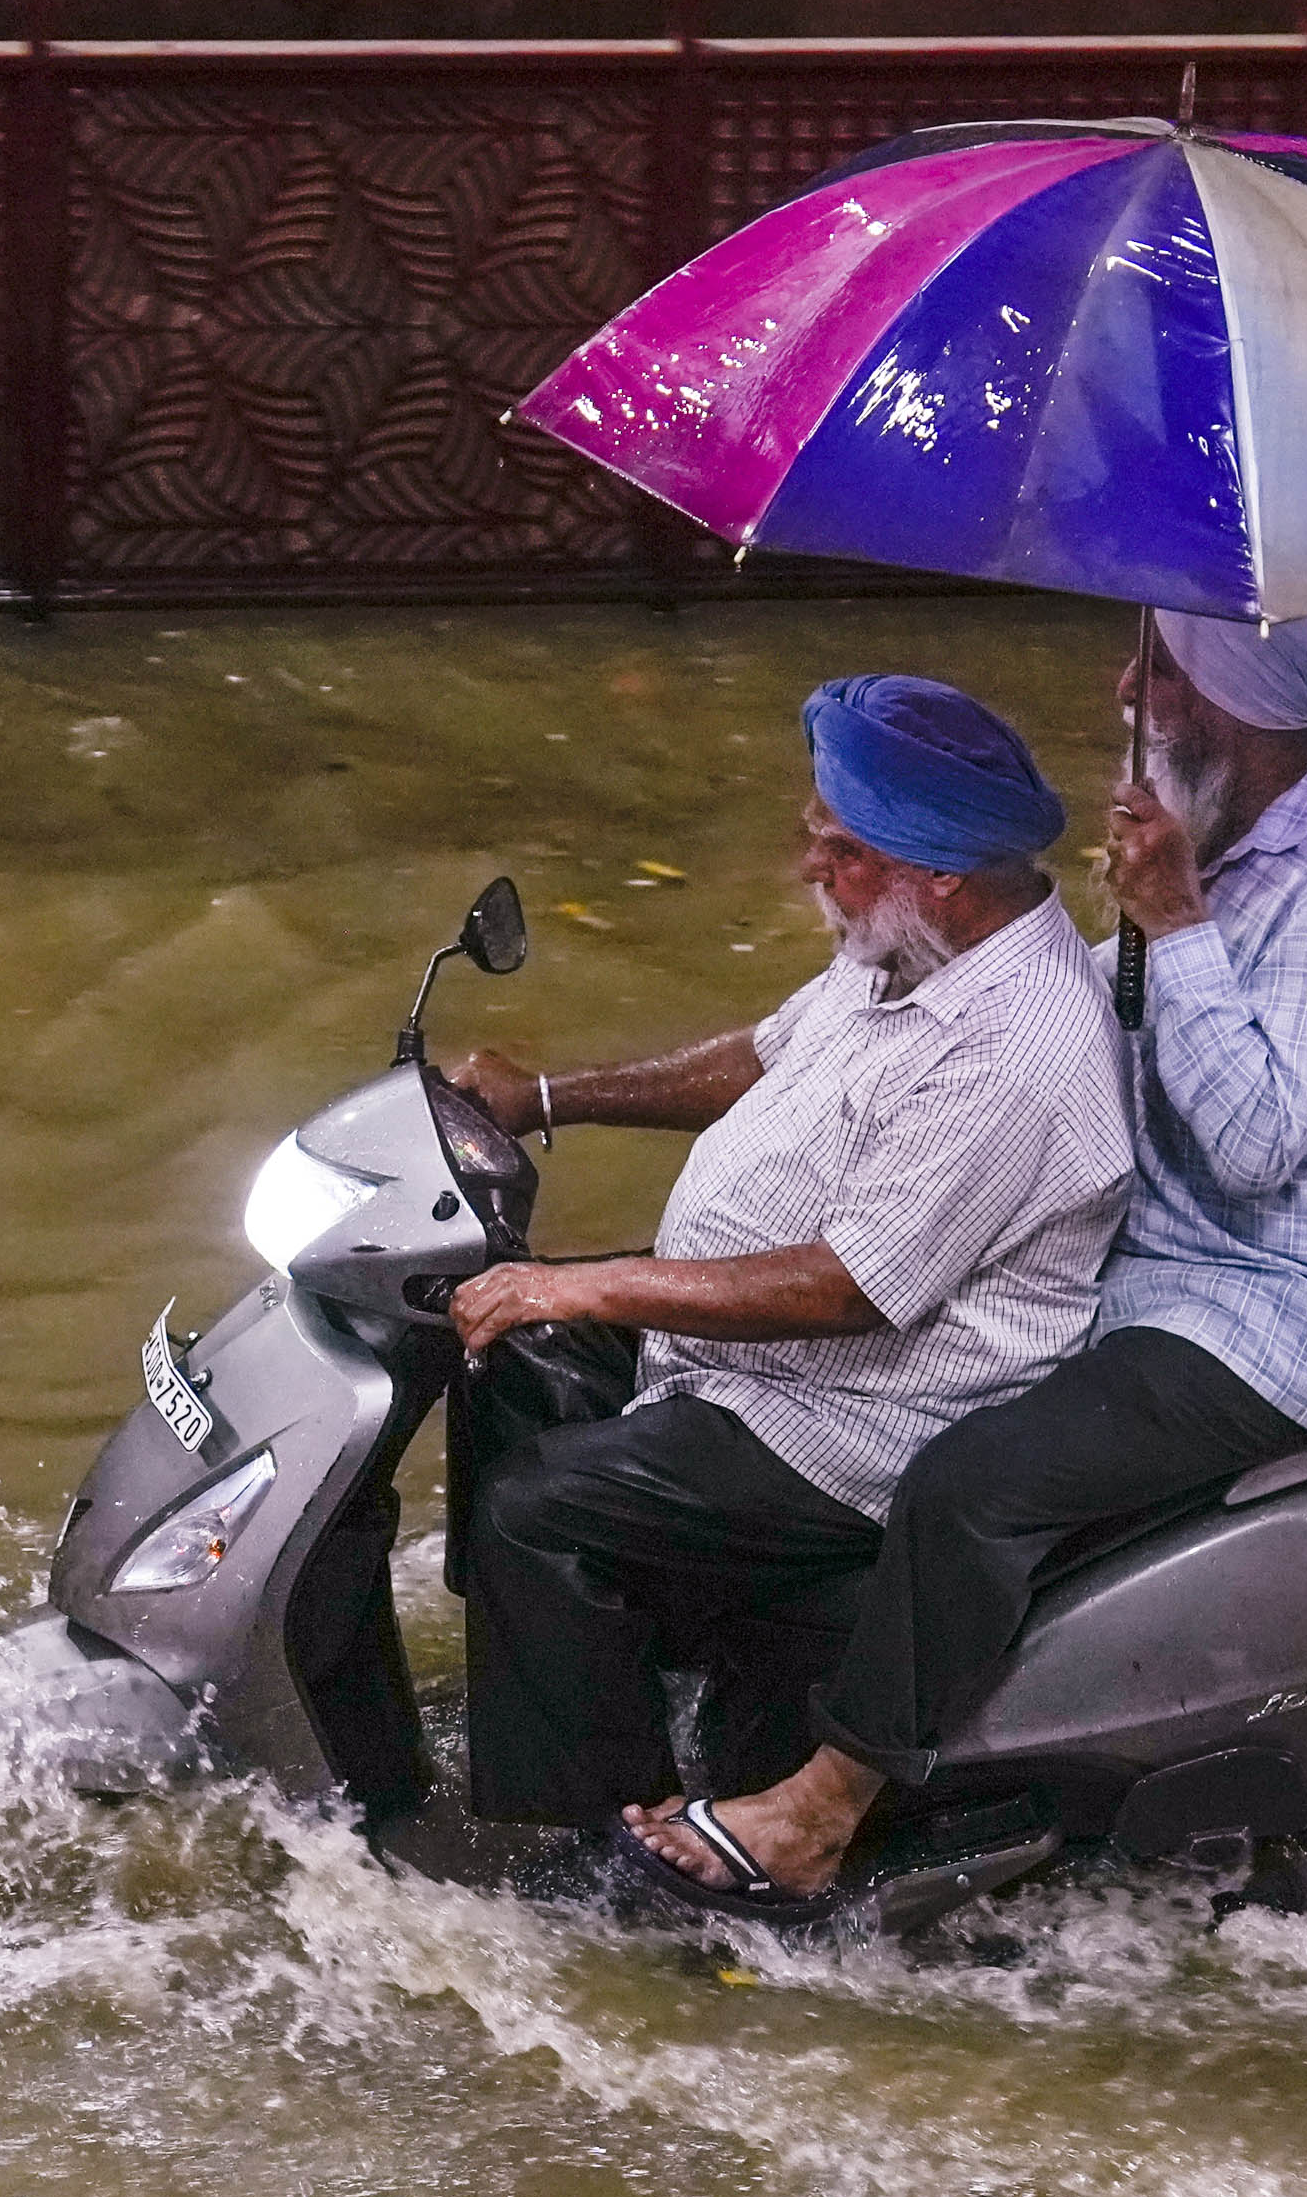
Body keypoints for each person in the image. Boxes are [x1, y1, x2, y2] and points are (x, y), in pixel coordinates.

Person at [627, 609, 1307, 1909]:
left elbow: (1249, 1150)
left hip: (1282, 1308)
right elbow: (1106, 1026)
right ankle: (766, 1693)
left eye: (1162, 672)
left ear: (1234, 705)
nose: (1127, 685)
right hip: (1160, 1259)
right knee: (870, 1400)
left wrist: (1172, 922)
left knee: (970, 1483)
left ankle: (821, 1810)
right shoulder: (1218, 833)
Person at [431, 677, 1131, 1844]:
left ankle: (589, 1848)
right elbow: (765, 1055)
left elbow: (847, 1289)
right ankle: (564, 1690)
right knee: (513, 1354)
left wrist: (587, 1279)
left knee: (536, 1511)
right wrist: (551, 1096)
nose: (810, 866)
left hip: (861, 1414)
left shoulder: (1019, 1044)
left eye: (835, 846)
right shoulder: (904, 942)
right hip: (769, 1364)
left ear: (940, 873)